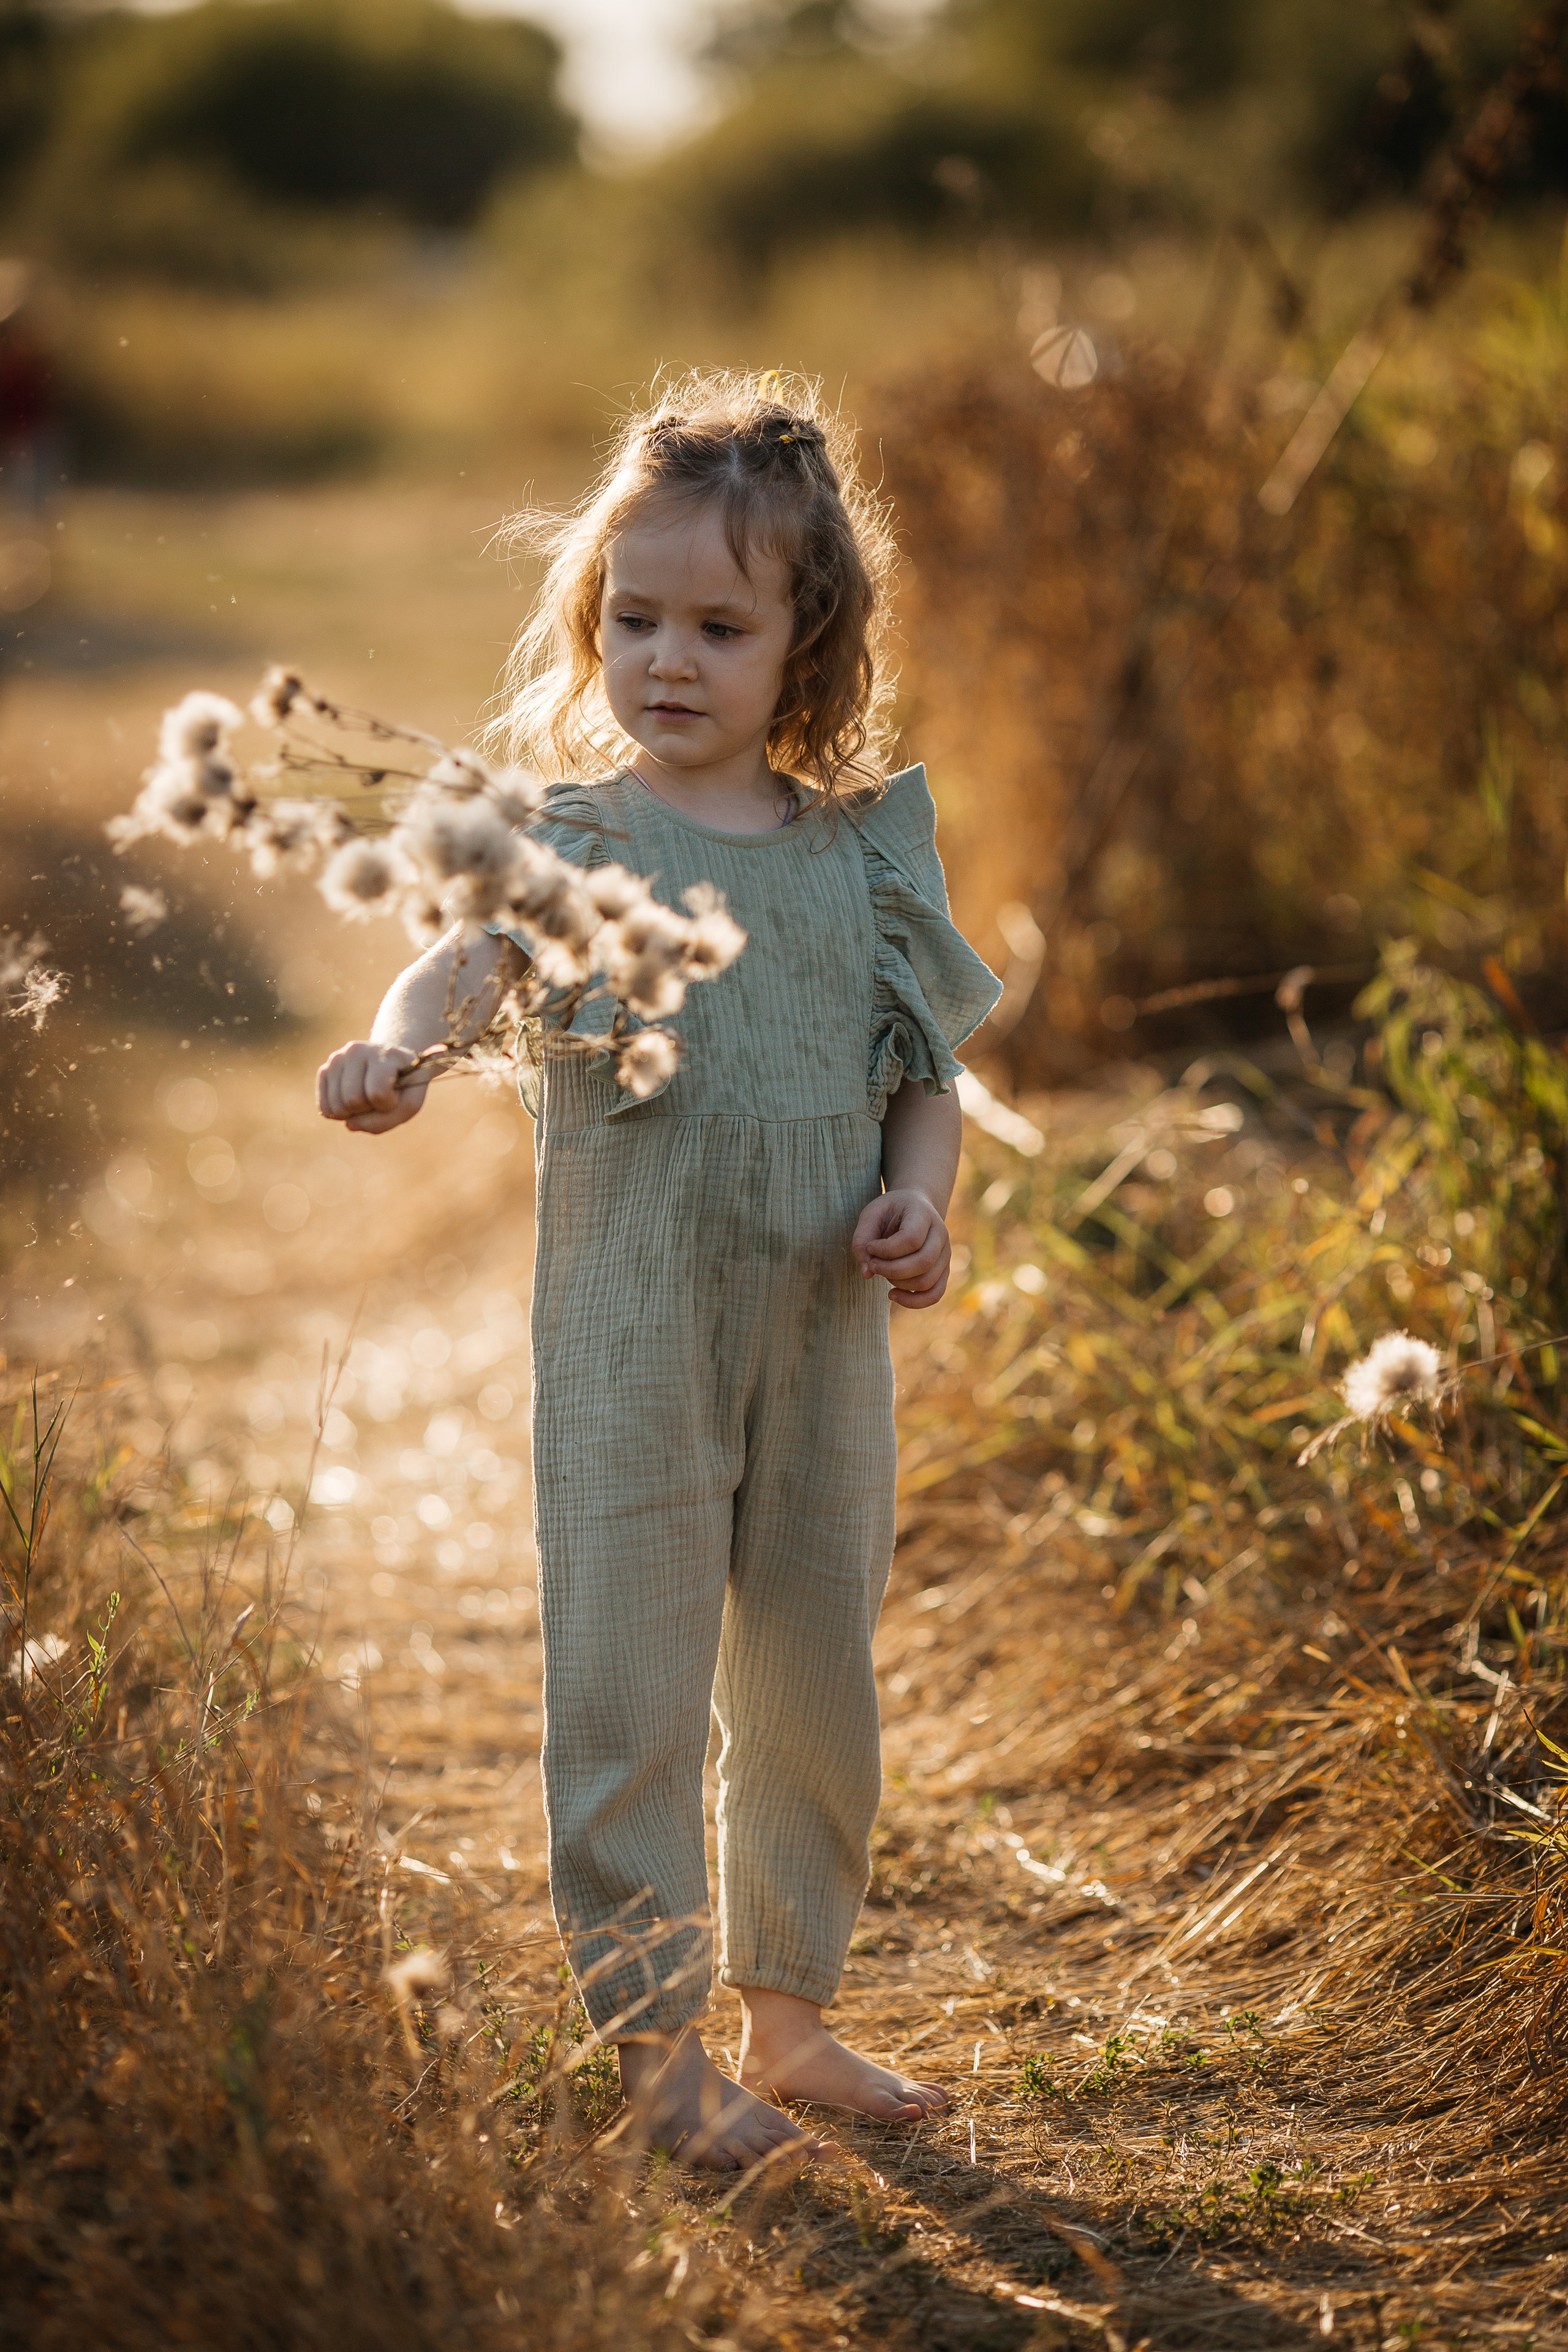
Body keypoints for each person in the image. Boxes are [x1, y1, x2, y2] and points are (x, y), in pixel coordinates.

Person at [317, 374, 1000, 2170]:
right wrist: (395, 1050)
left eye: (719, 624)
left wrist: (921, 1209)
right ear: (590, 625)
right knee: (627, 1681)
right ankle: (650, 2042)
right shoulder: (572, 842)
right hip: (633, 1343)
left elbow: (922, 1078)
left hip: (822, 1337)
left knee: (808, 1676)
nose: (667, 658)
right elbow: (452, 973)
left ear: (809, 648)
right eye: (634, 620)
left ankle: (790, 2013)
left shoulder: (864, 859)